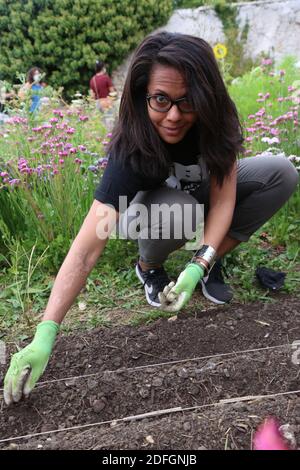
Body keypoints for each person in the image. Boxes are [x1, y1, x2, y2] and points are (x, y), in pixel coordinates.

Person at [4, 32, 298, 405]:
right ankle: (150, 267)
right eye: (160, 100)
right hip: (149, 212)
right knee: (182, 210)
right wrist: (45, 333)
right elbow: (86, 249)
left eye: (187, 101)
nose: (173, 115)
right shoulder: (131, 148)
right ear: (144, 93)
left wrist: (197, 266)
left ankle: (206, 262)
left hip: (202, 198)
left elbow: (224, 200)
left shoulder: (216, 121)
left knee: (280, 172)